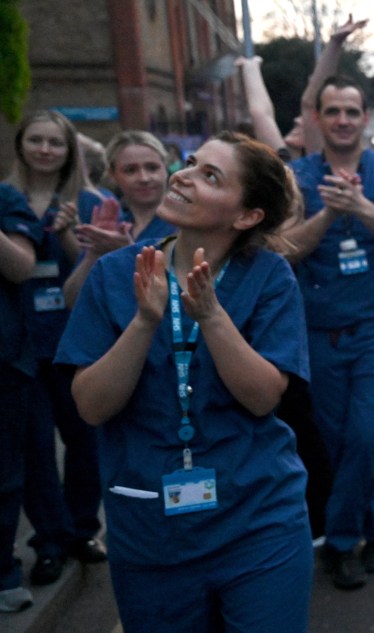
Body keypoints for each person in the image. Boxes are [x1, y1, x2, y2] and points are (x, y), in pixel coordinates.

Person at [55, 131, 313, 632]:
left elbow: (263, 398)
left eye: (209, 176)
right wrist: (144, 322)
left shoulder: (269, 276)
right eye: (191, 163)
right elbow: (90, 406)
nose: (183, 176)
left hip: (258, 522)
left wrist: (212, 318)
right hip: (151, 532)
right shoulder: (115, 275)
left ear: (246, 216)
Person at [284, 75, 374, 590]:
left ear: (366, 118)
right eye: (332, 111)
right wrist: (327, 215)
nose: (342, 120)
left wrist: (362, 207)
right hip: (317, 330)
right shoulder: (296, 177)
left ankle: (340, 542)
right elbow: (283, 249)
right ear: (317, 119)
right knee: (338, 441)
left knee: (370, 433)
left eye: (351, 111)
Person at [6, 110, 111, 585]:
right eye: (36, 140)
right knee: (35, 452)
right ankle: (49, 540)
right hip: (21, 347)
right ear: (21, 144)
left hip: (75, 341)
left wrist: (70, 233)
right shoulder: (6, 199)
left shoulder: (90, 202)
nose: (45, 150)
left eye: (56, 142)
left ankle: (82, 529)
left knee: (85, 440)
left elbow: (97, 271)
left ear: (70, 150)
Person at [64, 130, 176, 308]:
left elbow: (185, 297)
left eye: (152, 167)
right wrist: (94, 254)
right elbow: (71, 299)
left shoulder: (186, 224)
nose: (144, 178)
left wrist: (128, 253)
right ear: (113, 174)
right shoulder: (111, 226)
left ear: (166, 168)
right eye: (130, 170)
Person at [235, 14, 367, 162]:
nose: (297, 121)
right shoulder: (286, 167)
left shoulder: (319, 168)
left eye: (303, 124)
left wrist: (335, 44)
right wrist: (251, 68)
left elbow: (309, 103)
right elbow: (261, 115)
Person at [0, 184, 43, 613]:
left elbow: (21, 268)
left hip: (4, 361)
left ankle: (3, 573)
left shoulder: (7, 199)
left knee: (4, 475)